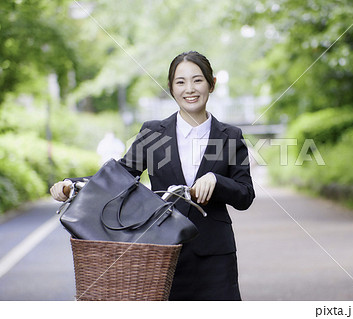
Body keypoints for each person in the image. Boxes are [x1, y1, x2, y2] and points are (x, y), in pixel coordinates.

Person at [50, 51, 255, 301]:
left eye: (197, 80)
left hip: (214, 257)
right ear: (171, 88)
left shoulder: (230, 136)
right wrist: (73, 185)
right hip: (160, 254)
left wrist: (216, 180)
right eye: (180, 82)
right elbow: (119, 175)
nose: (189, 89)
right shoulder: (153, 133)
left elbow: (245, 195)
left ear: (212, 84)